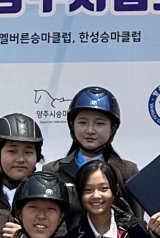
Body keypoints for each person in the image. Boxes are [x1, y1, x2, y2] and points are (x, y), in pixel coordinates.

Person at [41, 86, 138, 223]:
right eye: (82, 122)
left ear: (113, 128)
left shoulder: (127, 171)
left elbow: (137, 222)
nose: (90, 130)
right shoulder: (53, 170)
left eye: (99, 123)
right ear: (72, 125)